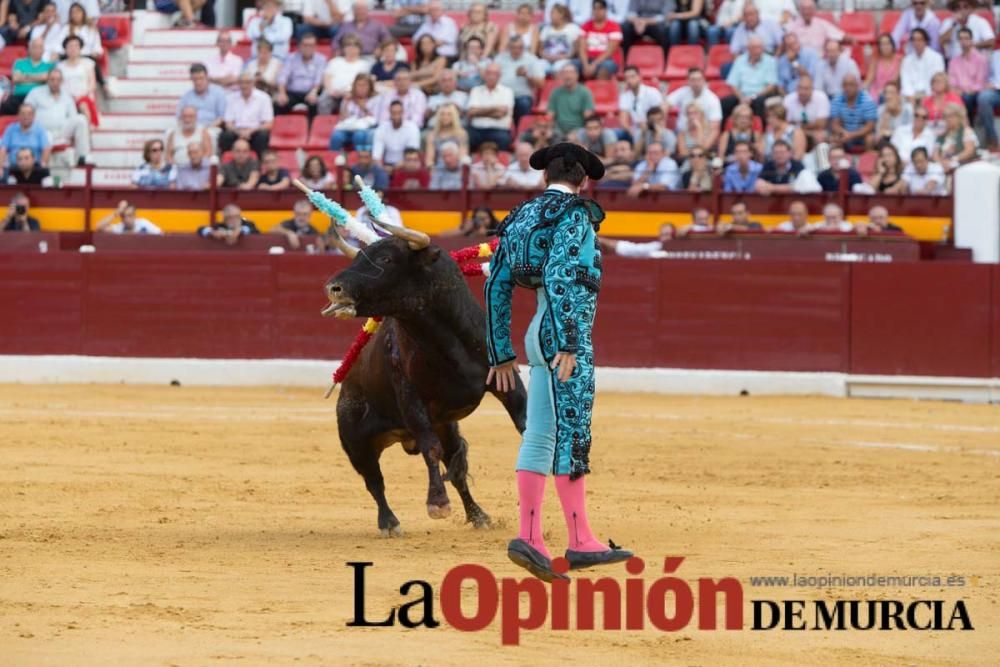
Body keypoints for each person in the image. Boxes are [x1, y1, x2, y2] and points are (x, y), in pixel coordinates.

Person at [484, 142, 632, 582]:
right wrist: (567, 341)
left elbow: (497, 283)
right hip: (564, 336)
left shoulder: (520, 217)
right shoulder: (576, 216)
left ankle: (530, 537)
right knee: (572, 432)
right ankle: (580, 539)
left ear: (544, 177)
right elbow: (561, 275)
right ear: (584, 180)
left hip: (536, 333)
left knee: (541, 433)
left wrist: (501, 352)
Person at [24, 69, 91, 165]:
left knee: (80, 119)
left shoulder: (67, 95)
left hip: (62, 131)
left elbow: (73, 116)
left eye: (58, 80)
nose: (55, 82)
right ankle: (41, 167)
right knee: (47, 137)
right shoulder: (36, 93)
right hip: (42, 131)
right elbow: (26, 111)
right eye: (52, 79)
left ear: (62, 81)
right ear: (47, 80)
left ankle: (82, 157)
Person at [723, 35, 779, 119]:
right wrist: (742, 98)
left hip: (760, 95)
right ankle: (725, 130)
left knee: (759, 102)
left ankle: (759, 129)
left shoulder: (770, 61)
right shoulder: (739, 60)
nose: (758, 51)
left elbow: (771, 86)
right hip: (742, 95)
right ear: (748, 49)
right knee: (726, 102)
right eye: (754, 48)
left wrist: (753, 97)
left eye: (760, 48)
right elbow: (733, 84)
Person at [494, 36, 545, 128]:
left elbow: (541, 84)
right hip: (501, 95)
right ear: (508, 48)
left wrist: (527, 76)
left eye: (520, 47)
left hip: (521, 96)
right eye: (514, 47)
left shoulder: (532, 59)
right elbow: (491, 76)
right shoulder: (500, 58)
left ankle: (521, 132)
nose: (517, 50)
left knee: (523, 104)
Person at [220, 71, 273, 157]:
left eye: (247, 82)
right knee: (225, 136)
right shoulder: (231, 98)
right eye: (241, 83)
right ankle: (227, 166)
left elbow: (268, 124)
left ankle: (260, 166)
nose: (244, 86)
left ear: (253, 83)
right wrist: (239, 132)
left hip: (255, 132)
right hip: (237, 131)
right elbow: (228, 123)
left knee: (263, 136)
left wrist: (250, 131)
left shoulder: (264, 98)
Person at [274, 33, 326, 117]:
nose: (308, 48)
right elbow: (283, 76)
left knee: (315, 103)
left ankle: (312, 129)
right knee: (279, 102)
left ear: (315, 46)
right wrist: (282, 93)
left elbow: (319, 78)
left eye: (311, 45)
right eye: (305, 45)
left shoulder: (320, 59)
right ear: (300, 46)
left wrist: (314, 92)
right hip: (292, 92)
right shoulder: (291, 58)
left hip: (312, 91)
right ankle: (280, 128)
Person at [319, 34, 371, 115]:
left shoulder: (364, 64)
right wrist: (330, 91)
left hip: (352, 95)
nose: (351, 49)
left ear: (359, 49)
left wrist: (351, 93)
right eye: (348, 46)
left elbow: (364, 83)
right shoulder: (335, 61)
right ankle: (324, 124)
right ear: (343, 49)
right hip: (333, 93)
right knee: (323, 100)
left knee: (348, 102)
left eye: (354, 46)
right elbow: (327, 77)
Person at [467, 63, 514, 151]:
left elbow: (500, 114)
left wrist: (479, 112)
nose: (491, 76)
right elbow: (471, 112)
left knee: (504, 139)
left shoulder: (507, 91)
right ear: (484, 75)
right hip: (477, 130)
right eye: (489, 73)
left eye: (495, 74)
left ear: (499, 76)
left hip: (499, 130)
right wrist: (495, 108)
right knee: (467, 137)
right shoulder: (476, 90)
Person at [666, 67, 722, 141]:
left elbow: (714, 128)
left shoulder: (713, 99)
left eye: (699, 79)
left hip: (703, 135)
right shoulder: (682, 91)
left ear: (704, 80)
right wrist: (661, 122)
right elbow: (665, 104)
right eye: (693, 80)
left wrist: (702, 148)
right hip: (680, 133)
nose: (696, 83)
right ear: (688, 81)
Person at [947, 28, 989, 125]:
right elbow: (952, 82)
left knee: (966, 98)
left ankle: (969, 126)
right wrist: (956, 90)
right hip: (959, 92)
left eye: (966, 38)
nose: (963, 41)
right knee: (952, 97)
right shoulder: (954, 61)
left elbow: (980, 83)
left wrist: (965, 91)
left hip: (974, 93)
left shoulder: (980, 59)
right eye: (961, 39)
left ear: (971, 40)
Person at [4, 39, 53, 116]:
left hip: (40, 98)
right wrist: (39, 78)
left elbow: (46, 78)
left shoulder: (49, 65)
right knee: (4, 106)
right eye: (34, 47)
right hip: (19, 96)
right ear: (29, 49)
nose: (37, 50)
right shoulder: (19, 62)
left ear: (43, 50)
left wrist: (25, 76)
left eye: (40, 47)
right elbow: (16, 78)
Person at [330, 73, 378, 151]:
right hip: (348, 128)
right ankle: (332, 160)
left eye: (364, 85)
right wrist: (345, 103)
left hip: (366, 129)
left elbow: (375, 119)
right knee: (336, 136)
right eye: (359, 85)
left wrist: (360, 105)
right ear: (354, 86)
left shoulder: (375, 99)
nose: (361, 88)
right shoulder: (348, 99)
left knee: (358, 135)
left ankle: (358, 160)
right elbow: (342, 118)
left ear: (370, 87)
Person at [57, 35, 97, 127]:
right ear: (65, 49)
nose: (73, 49)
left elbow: (92, 84)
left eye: (76, 46)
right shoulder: (60, 66)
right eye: (70, 46)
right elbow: (59, 84)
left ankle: (87, 130)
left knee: (83, 104)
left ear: (80, 48)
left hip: (84, 96)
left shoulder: (88, 63)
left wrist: (80, 95)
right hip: (66, 97)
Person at [830, 74, 877, 153]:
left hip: (862, 135)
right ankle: (838, 163)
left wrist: (851, 135)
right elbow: (835, 124)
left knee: (870, 139)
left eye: (851, 84)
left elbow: (870, 126)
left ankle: (867, 163)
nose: (848, 88)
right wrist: (843, 133)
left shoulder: (867, 101)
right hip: (844, 134)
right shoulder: (836, 100)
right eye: (845, 85)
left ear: (857, 86)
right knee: (833, 138)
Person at [576, 0, 621, 80]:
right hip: (587, 59)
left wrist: (594, 65)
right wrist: (586, 65)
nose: (597, 11)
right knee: (569, 69)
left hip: (607, 60)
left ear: (606, 10)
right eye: (595, 9)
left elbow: (610, 51)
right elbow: (581, 49)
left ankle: (598, 92)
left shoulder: (614, 27)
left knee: (603, 71)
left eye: (600, 9)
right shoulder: (585, 26)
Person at [618, 65, 664, 142]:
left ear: (639, 77)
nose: (629, 80)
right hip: (634, 130)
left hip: (652, 127)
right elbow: (623, 121)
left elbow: (659, 116)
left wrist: (647, 125)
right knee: (612, 133)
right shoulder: (624, 96)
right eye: (627, 78)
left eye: (632, 76)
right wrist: (631, 131)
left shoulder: (653, 92)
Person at [548, 63, 594, 138]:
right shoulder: (555, 92)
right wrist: (548, 129)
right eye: (564, 73)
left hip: (578, 128)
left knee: (572, 140)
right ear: (561, 76)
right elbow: (550, 115)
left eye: (570, 73)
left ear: (577, 75)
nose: (567, 76)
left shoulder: (585, 92)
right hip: (558, 128)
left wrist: (581, 131)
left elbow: (588, 117)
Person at [900, 28, 945, 103]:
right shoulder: (906, 60)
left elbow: (938, 80)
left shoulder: (937, 58)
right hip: (911, 95)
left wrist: (927, 97)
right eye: (914, 40)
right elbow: (905, 81)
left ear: (926, 41)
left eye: (919, 40)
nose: (916, 43)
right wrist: (911, 96)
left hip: (931, 94)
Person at [783, 74, 829, 147]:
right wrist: (806, 128)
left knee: (821, 136)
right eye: (800, 88)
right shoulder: (788, 99)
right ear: (796, 88)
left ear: (812, 89)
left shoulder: (821, 97)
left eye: (806, 88)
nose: (803, 92)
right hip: (795, 132)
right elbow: (786, 123)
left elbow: (821, 124)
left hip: (815, 132)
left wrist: (797, 124)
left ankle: (820, 158)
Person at [372, 99, 420, 168]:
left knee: (412, 164)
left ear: (403, 112)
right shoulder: (382, 128)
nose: (396, 116)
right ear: (390, 112)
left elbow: (412, 154)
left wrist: (396, 168)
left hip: (406, 165)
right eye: (394, 113)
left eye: (399, 113)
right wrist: (382, 168)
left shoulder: (412, 128)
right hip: (387, 164)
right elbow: (376, 156)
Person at [178, 64, 226, 131]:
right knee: (170, 132)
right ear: (191, 79)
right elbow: (179, 118)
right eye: (195, 79)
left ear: (207, 77)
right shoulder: (186, 97)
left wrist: (206, 129)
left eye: (201, 78)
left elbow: (222, 117)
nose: (198, 82)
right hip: (191, 129)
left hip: (212, 128)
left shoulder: (219, 93)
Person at [0, 104, 50, 169]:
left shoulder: (40, 130)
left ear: (34, 116)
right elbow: (3, 149)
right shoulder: (11, 129)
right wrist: (0, 167)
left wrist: (42, 166)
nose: (26, 116)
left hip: (34, 168)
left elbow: (46, 149)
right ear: (18, 115)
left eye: (29, 114)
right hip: (14, 168)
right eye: (23, 114)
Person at [934, 102, 978, 171]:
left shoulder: (966, 131)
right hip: (943, 168)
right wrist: (941, 163)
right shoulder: (942, 134)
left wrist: (953, 159)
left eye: (950, 116)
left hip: (963, 168)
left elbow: (969, 151)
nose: (947, 119)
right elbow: (935, 154)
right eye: (945, 116)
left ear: (959, 117)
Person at [538, 4, 581, 76]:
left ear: (561, 15)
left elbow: (575, 50)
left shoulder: (572, 28)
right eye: (551, 13)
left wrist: (564, 57)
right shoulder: (546, 29)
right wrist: (546, 56)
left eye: (553, 13)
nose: (551, 15)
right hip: (547, 59)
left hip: (564, 59)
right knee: (537, 67)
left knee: (558, 68)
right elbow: (540, 49)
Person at [424, 102, 468, 167]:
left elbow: (462, 156)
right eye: (442, 114)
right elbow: (429, 159)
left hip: (457, 168)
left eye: (449, 114)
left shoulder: (461, 134)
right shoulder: (432, 135)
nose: (445, 117)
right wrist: (431, 168)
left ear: (454, 116)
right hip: (438, 169)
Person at [598, 222, 675, 257]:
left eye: (669, 234)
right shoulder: (656, 247)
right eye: (663, 235)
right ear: (660, 237)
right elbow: (633, 248)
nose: (666, 238)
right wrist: (603, 241)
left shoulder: (684, 248)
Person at [865, 33, 901, 102]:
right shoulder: (875, 60)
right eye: (882, 44)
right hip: (876, 92)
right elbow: (869, 79)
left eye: (888, 43)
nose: (885, 47)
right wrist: (862, 89)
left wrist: (884, 91)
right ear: (879, 47)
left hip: (892, 91)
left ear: (892, 45)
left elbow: (895, 80)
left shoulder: (899, 60)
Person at [976, 49, 1000, 150]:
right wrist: (987, 84)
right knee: (983, 98)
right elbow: (990, 76)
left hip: (997, 87)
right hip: (995, 91)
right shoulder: (996, 54)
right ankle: (992, 138)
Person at [876, 82, 913, 146]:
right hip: (887, 144)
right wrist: (886, 115)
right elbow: (878, 137)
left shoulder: (908, 109)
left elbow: (909, 133)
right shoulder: (880, 110)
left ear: (899, 95)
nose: (888, 96)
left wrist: (889, 133)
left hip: (905, 144)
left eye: (892, 93)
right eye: (886, 93)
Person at [95, 200, 162, 234]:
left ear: (135, 216)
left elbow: (160, 234)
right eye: (123, 216)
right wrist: (117, 212)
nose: (126, 219)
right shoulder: (119, 227)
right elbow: (99, 227)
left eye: (130, 215)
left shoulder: (143, 224)